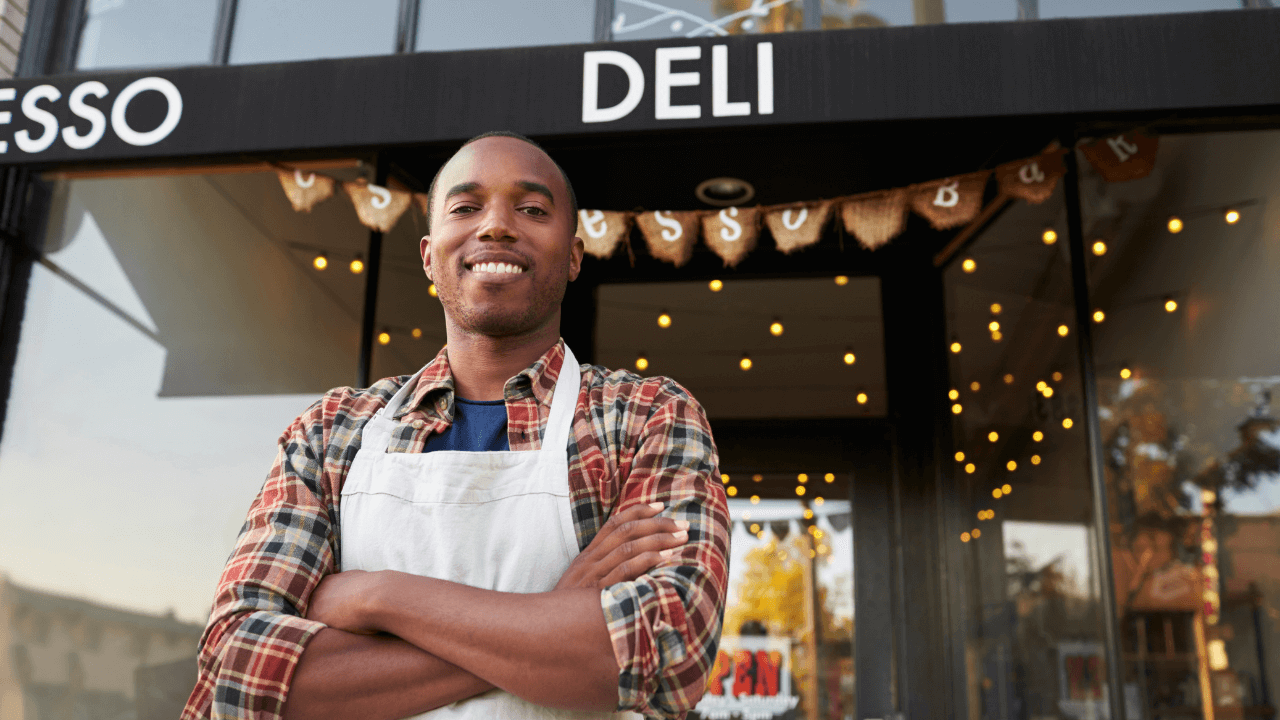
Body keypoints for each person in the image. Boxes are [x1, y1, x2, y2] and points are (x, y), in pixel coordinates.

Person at [180, 131, 730, 720]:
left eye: (532, 209)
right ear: (428, 255)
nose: (495, 226)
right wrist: (553, 613)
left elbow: (667, 653)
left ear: (573, 255)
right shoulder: (330, 432)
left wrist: (377, 596)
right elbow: (237, 674)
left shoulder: (647, 415)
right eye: (466, 208)